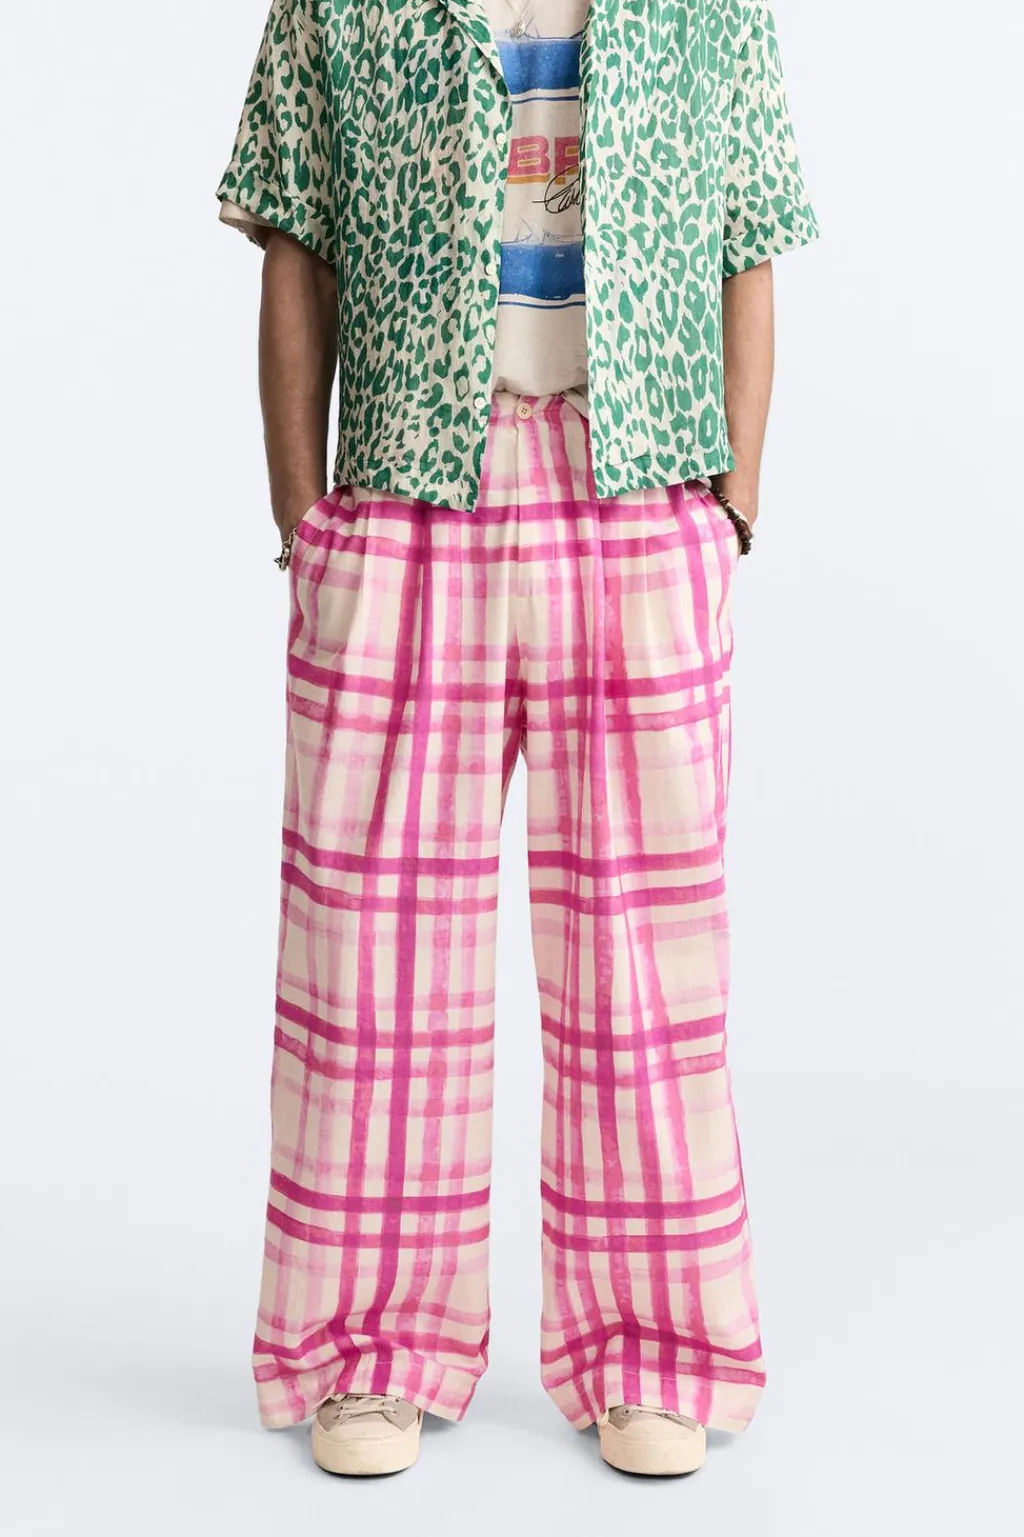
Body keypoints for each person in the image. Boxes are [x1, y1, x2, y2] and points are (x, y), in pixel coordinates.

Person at [215, 0, 819, 1480]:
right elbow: (296, 246)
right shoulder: (339, 6)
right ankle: (366, 1349)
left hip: (639, 487)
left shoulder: (708, 9)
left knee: (645, 960)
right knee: (370, 955)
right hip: (407, 491)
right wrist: (306, 519)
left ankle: (656, 1350)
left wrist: (732, 507)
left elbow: (750, 240)